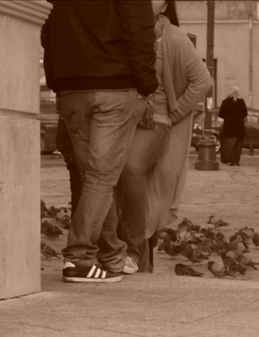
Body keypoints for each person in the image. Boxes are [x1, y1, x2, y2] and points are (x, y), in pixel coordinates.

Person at [41, 0, 157, 283]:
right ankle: (78, 258)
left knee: (94, 179)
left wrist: (58, 81)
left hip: (71, 89)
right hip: (115, 87)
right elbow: (139, 31)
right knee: (101, 178)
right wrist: (147, 85)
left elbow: (48, 31)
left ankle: (112, 255)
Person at [115, 0, 212, 273]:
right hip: (123, 120)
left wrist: (176, 112)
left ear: (166, 4)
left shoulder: (175, 38)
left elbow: (203, 80)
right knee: (117, 183)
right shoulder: (126, 31)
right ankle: (127, 256)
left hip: (155, 122)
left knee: (133, 169)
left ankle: (131, 250)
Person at [218, 87, 247, 165]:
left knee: (229, 145)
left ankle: (230, 159)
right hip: (239, 126)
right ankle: (236, 161)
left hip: (229, 127)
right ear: (236, 93)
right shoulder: (241, 102)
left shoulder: (225, 102)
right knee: (238, 145)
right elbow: (245, 114)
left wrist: (229, 117)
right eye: (237, 93)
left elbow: (220, 114)